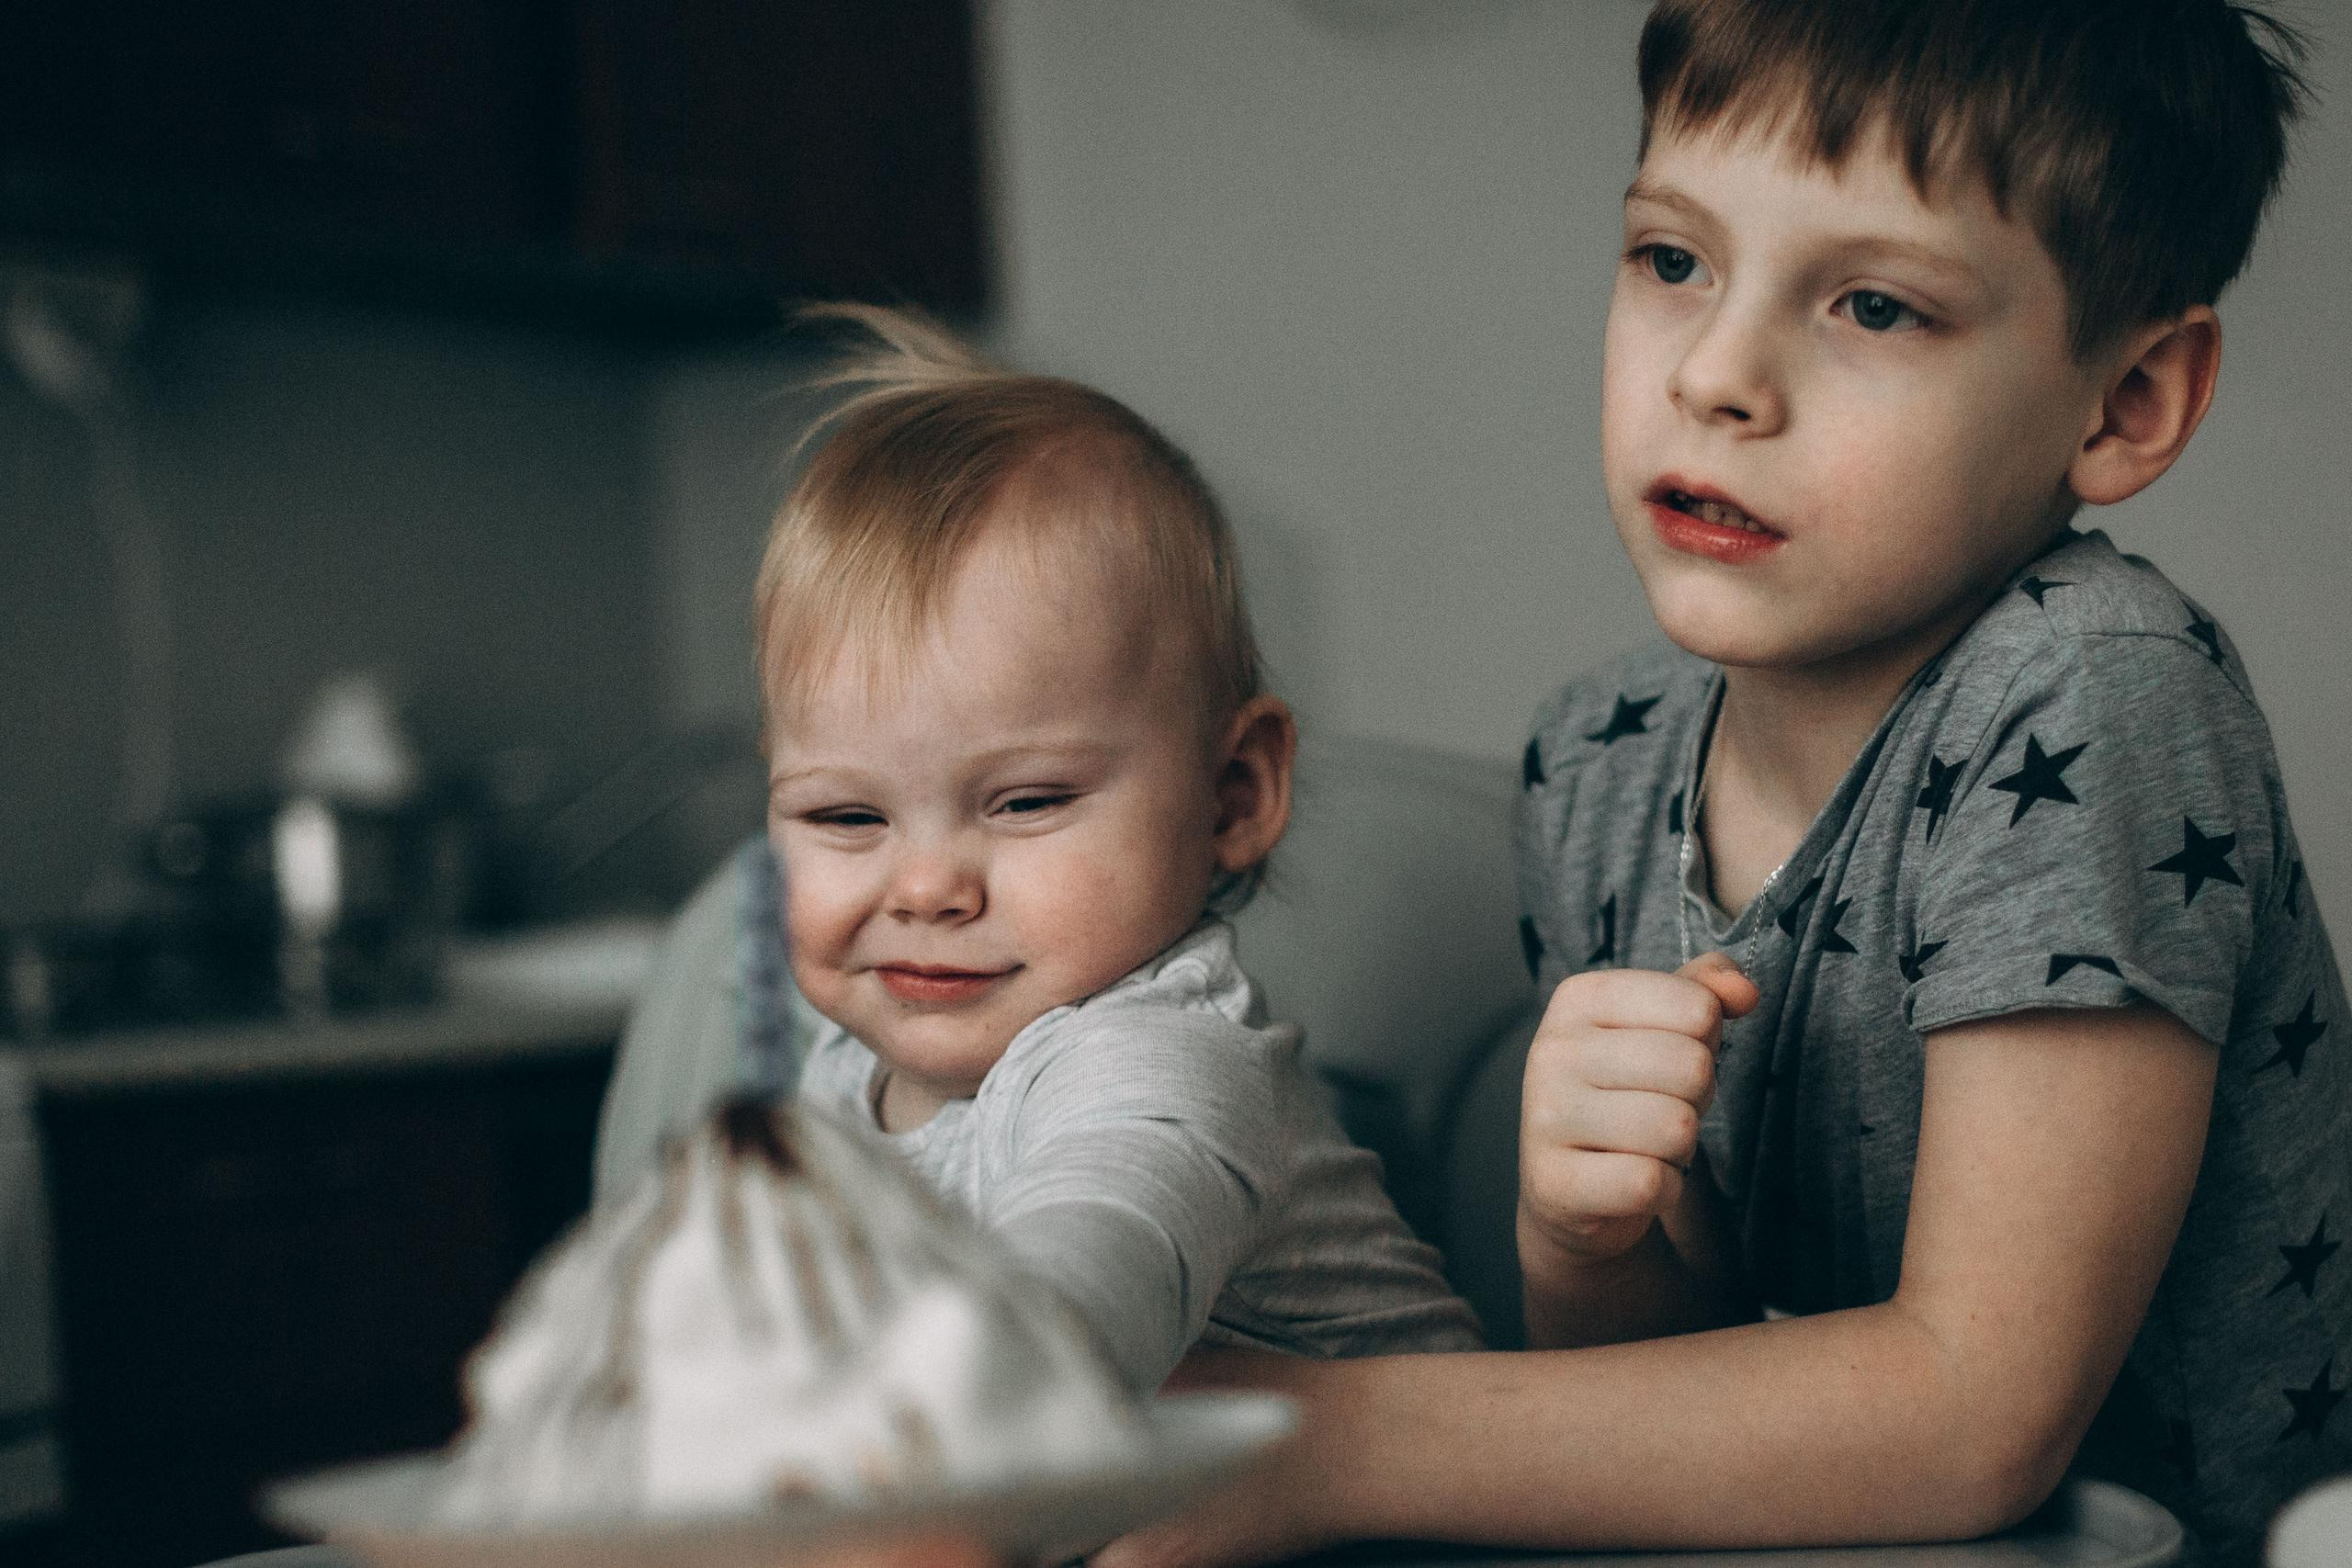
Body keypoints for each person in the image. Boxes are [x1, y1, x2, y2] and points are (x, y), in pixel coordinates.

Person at [1095, 4, 2345, 1566]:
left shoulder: (2096, 690)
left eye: (1876, 305)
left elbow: (1974, 1413)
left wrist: (1320, 1434)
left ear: (2128, 401)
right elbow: (1656, 1428)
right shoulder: (1601, 757)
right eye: (1673, 260)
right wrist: (1587, 1238)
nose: (1720, 374)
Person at [746, 304, 1481, 1395]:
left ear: (1232, 794)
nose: (925, 886)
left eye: (1027, 802)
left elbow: (1089, 1278)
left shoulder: (1158, 1059)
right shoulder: (841, 1072)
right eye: (847, 818)